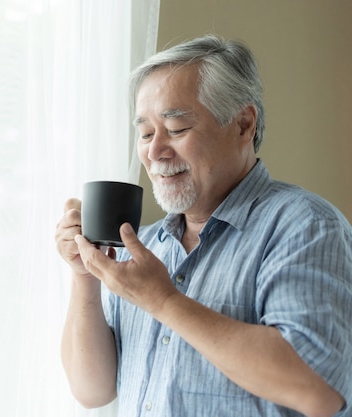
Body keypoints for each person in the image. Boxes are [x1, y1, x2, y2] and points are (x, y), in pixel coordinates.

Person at [55, 35, 352, 417]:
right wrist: (86, 274)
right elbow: (91, 390)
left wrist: (164, 301)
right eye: (145, 134)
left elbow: (319, 391)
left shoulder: (306, 227)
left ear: (243, 124)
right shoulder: (144, 247)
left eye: (176, 128)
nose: (154, 151)